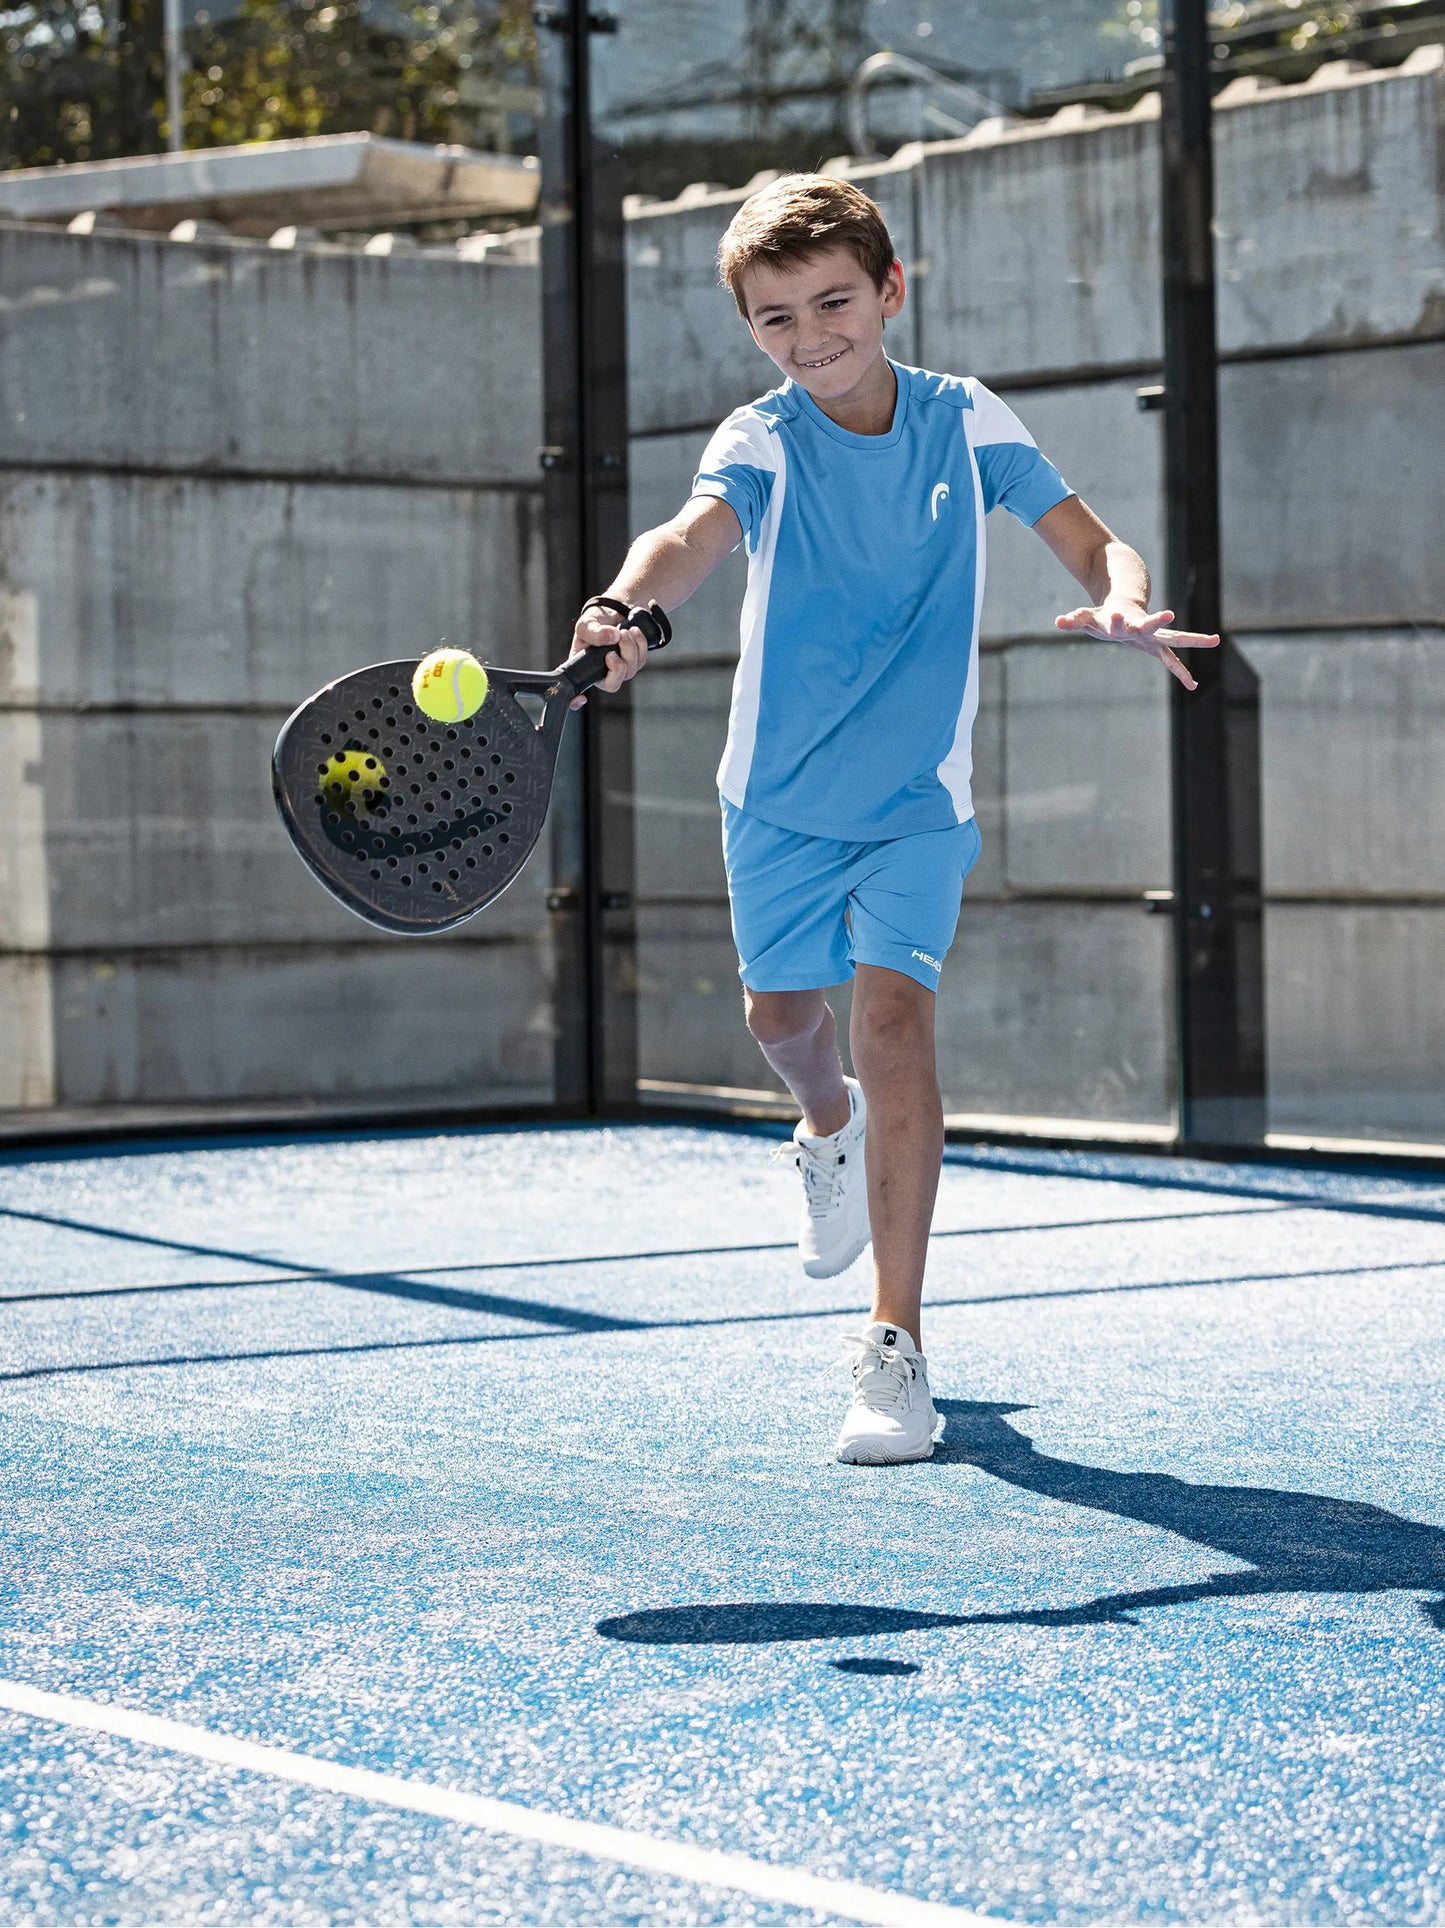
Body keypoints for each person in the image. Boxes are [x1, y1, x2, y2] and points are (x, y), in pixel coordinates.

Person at [566, 174, 1217, 1465]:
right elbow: (684, 537)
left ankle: (894, 1345)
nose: (808, 336)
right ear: (748, 330)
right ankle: (823, 1127)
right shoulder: (758, 439)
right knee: (782, 1021)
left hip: (917, 800)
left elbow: (1090, 541)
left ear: (888, 292)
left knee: (895, 1022)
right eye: (773, 318)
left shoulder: (961, 417)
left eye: (831, 303)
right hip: (778, 800)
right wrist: (626, 611)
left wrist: (1126, 600)